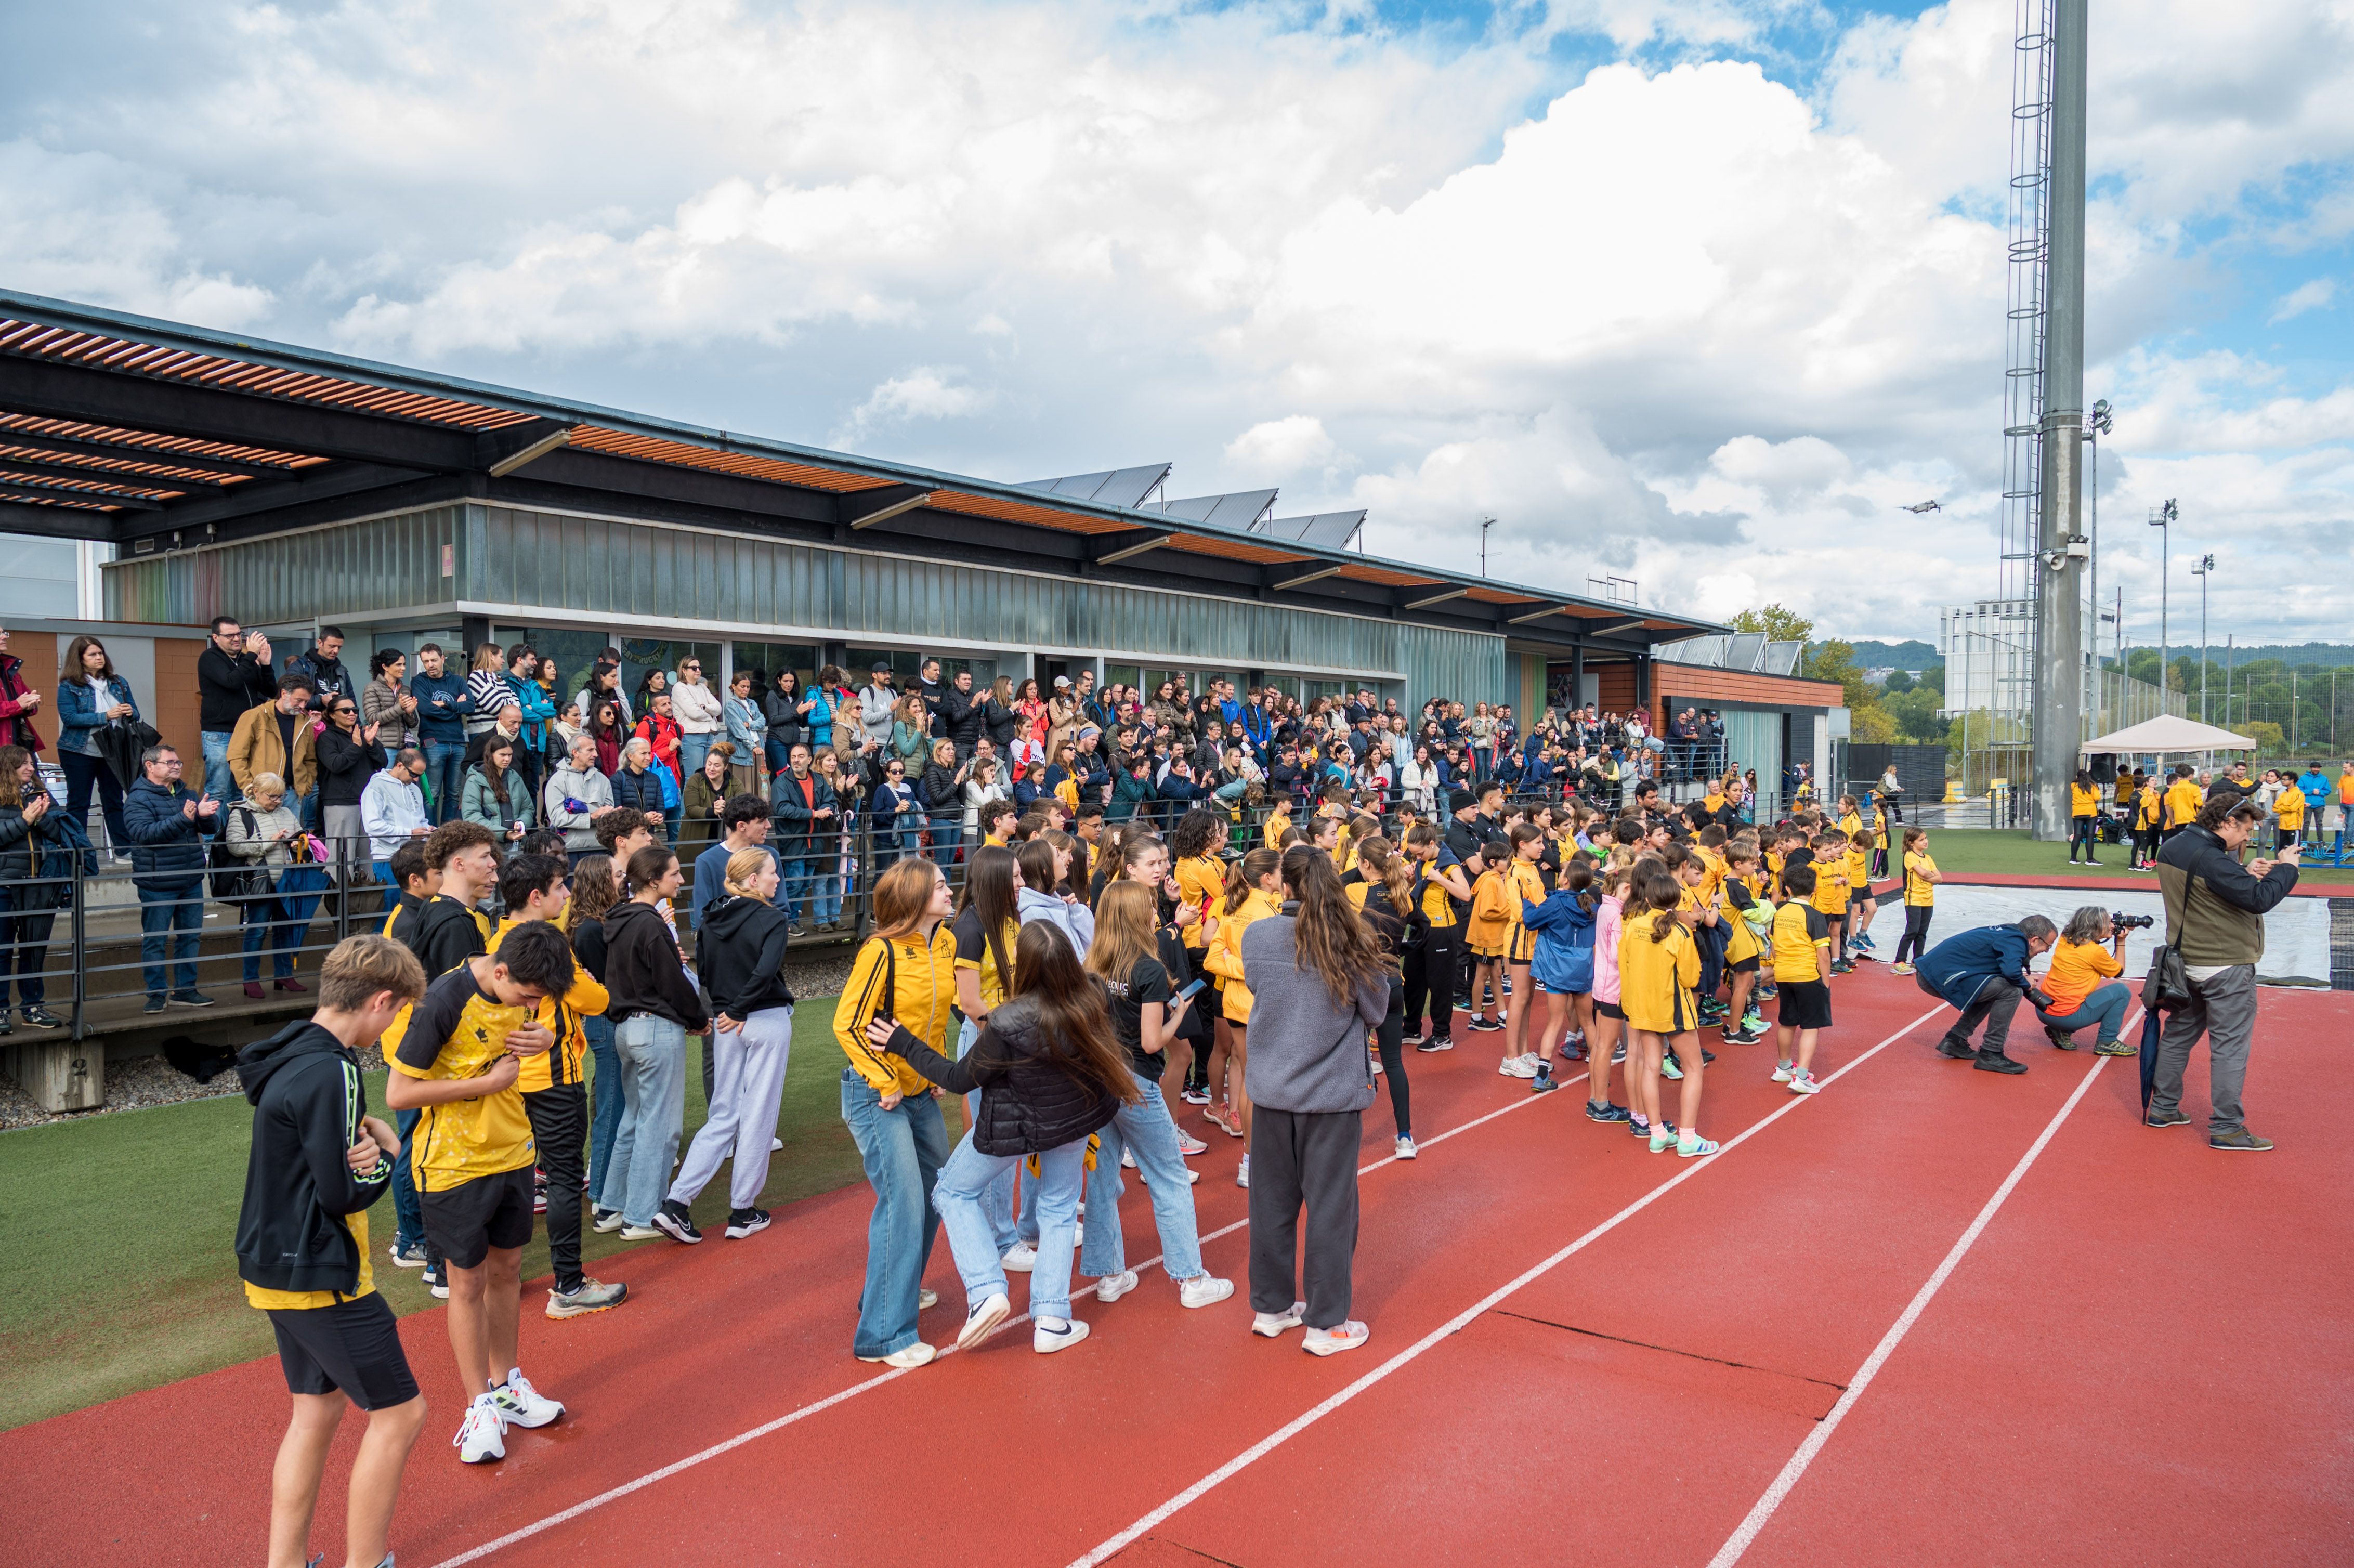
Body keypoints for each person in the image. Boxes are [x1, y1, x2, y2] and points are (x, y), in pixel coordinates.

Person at [233, 935, 429, 1568]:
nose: (395, 1023)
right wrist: (388, 1155)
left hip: (272, 1265)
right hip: (320, 1275)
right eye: (397, 1012)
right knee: (402, 1415)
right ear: (379, 1000)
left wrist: (363, 1139)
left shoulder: (290, 1047)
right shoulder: (337, 1069)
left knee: (315, 1415)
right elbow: (344, 1190)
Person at [878, 920, 1136, 1355]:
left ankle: (985, 1288)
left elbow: (960, 1078)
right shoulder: (1094, 996)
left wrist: (904, 1042)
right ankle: (1052, 1320)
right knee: (1057, 1211)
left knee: (952, 1191)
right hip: (1073, 1121)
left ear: (1027, 968)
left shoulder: (1006, 1022)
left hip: (1017, 1128)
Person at [381, 919, 576, 1464]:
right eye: (529, 997)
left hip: (513, 1152)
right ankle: (478, 1405)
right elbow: (399, 1093)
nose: (532, 1005)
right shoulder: (442, 1000)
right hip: (452, 1165)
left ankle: (508, 1384)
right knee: (465, 1283)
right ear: (501, 969)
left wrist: (548, 1036)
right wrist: (483, 1086)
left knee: (508, 1272)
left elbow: (526, 1033)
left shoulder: (522, 987)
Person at [1236, 845, 1388, 1355]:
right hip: (1329, 1096)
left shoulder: (1257, 934)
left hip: (1272, 1090)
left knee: (1271, 1202)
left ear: (1284, 883)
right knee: (1330, 1208)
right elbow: (1375, 1010)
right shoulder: (1351, 937)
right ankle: (1326, 1323)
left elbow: (1261, 986)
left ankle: (1271, 1307)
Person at [1075, 880, 1235, 1312]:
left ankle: (1109, 1274)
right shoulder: (1147, 969)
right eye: (1150, 906)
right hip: (1137, 1081)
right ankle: (1190, 1277)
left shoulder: (1094, 962)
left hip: (1101, 1077)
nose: (1156, 912)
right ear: (1136, 915)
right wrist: (1178, 1013)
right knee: (1169, 1178)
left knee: (1103, 1180)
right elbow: (1151, 1042)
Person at [832, 857, 959, 1368]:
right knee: (904, 1200)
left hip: (916, 1091)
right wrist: (885, 1080)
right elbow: (848, 1025)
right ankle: (883, 1335)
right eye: (941, 886)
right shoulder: (880, 950)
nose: (951, 891)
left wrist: (930, 1070)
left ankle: (888, 1293)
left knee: (936, 1194)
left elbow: (933, 1016)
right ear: (914, 896)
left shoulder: (946, 943)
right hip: (875, 1094)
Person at [655, 847, 797, 1245]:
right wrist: (737, 1007)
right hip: (761, 1019)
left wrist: (725, 1011)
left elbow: (706, 971)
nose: (777, 879)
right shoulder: (771, 917)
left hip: (725, 1023)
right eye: (772, 873)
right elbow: (765, 970)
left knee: (723, 1114)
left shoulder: (710, 917)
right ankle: (742, 1211)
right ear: (752, 879)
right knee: (758, 1115)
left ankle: (676, 1204)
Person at [2149, 790, 2299, 1149]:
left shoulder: (2173, 846)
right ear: (2229, 822)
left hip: (2185, 962)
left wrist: (2243, 873)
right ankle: (2227, 1127)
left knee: (2178, 1036)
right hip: (2225, 964)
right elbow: (2259, 899)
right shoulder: (2213, 860)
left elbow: (2204, 886)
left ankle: (2163, 1107)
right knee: (2230, 1047)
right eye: (2246, 830)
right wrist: (2289, 869)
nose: (2248, 838)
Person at [596, 845, 709, 1239]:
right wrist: (698, 1018)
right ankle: (641, 1215)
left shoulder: (622, 919)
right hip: (655, 1029)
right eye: (674, 874)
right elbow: (671, 982)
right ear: (652, 880)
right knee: (658, 1126)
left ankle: (611, 1207)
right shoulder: (649, 923)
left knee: (634, 1119)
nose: (680, 879)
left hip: (628, 1029)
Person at [1622, 859, 1715, 1156]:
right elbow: (1689, 978)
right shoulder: (1680, 933)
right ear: (1677, 900)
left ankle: (1657, 1132)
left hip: (1641, 1005)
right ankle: (1687, 1138)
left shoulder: (1634, 925)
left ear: (1647, 898)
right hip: (1673, 1007)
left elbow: (1624, 964)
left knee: (1650, 1066)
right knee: (1694, 1067)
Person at [1202, 846, 1282, 1186]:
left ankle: (1251, 1159)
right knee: (1264, 1084)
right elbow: (1274, 968)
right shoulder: (1268, 912)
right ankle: (1256, 1158)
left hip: (1237, 1005)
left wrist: (1239, 967)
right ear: (1268, 877)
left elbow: (1215, 959)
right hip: (1261, 1007)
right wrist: (1251, 969)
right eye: (1279, 871)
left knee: (1252, 1080)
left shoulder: (1233, 910)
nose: (1283, 876)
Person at [120, 743, 220, 1012]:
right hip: (158, 882)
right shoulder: (138, 798)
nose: (176, 766)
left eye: (178, 763)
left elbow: (204, 827)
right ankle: (155, 994)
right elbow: (145, 835)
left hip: (190, 879)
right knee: (156, 940)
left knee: (190, 937)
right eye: (170, 762)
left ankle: (185, 990)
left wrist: (208, 816)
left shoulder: (186, 792)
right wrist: (185, 818)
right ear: (150, 766)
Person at [1911, 913, 2060, 1075]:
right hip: (1938, 975)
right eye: (2048, 946)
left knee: (1997, 988)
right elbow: (2011, 973)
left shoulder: (2011, 932)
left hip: (1934, 971)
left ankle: (1955, 1040)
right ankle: (1992, 1053)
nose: (2046, 951)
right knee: (2011, 990)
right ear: (2035, 940)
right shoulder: (2016, 941)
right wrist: (2025, 983)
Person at [221, 772, 323, 1000]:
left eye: (281, 796)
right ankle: (251, 980)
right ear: (256, 792)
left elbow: (299, 834)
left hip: (287, 881)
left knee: (285, 931)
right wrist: (271, 843)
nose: (278, 801)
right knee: (256, 932)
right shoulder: (241, 814)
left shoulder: (286, 812)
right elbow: (236, 847)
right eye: (273, 797)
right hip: (261, 882)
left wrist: (300, 841)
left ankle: (284, 975)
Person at [0, 744, 69, 1033]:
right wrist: (24, 820)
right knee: (3, 951)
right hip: (5, 886)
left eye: (31, 763)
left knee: (34, 950)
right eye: (23, 764)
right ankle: (1, 1012)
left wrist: (42, 819)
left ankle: (33, 1007)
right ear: (8, 768)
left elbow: (62, 835)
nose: (30, 768)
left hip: (39, 884)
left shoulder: (40, 794)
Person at [57, 633, 142, 854]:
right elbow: (70, 718)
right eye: (92, 654)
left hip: (113, 750)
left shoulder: (118, 682)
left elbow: (136, 712)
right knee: (79, 802)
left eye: (100, 653)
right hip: (78, 751)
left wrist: (131, 712)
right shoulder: (68, 686)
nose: (99, 657)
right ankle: (79, 852)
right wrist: (104, 716)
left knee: (114, 800)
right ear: (80, 659)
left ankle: (124, 850)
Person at [2034, 905, 2136, 1057]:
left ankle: (2061, 1031)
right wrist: (2121, 941)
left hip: (2042, 1009)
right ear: (2095, 927)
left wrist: (2111, 932)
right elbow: (2119, 971)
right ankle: (2107, 1042)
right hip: (2065, 1017)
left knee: (2082, 993)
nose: (2112, 926)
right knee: (2121, 992)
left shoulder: (2065, 938)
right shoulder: (2095, 952)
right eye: (2108, 923)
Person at [1769, 863, 1834, 1094]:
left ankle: (1784, 1067)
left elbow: (1774, 945)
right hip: (1807, 975)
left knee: (1787, 1021)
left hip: (1784, 974)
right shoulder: (1814, 915)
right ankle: (1803, 1076)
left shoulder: (1780, 912)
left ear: (1787, 888)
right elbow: (1823, 955)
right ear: (1815, 889)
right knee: (1811, 1025)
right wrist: (1825, 984)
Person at [197, 618, 275, 804]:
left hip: (248, 732)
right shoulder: (209, 658)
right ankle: (215, 834)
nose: (236, 638)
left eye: (238, 634)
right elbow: (231, 682)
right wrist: (251, 656)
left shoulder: (245, 660)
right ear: (216, 637)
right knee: (220, 789)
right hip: (220, 733)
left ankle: (236, 832)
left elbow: (270, 691)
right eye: (229, 635)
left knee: (243, 789)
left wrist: (265, 665)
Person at [316, 692, 388, 873]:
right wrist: (356, 746)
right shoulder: (327, 737)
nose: (352, 714)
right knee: (341, 857)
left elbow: (382, 763)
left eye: (354, 710)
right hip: (340, 803)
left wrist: (370, 745)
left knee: (368, 858)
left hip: (366, 803)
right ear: (332, 715)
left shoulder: (363, 734)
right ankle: (339, 899)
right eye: (346, 710)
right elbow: (336, 764)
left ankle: (367, 900)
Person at [407, 642, 473, 823]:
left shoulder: (457, 681)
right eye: (426, 661)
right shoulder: (419, 681)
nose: (431, 665)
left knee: (453, 794)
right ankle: (430, 836)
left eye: (434, 660)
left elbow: (470, 706)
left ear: (443, 659)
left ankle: (447, 838)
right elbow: (426, 709)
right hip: (433, 742)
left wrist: (446, 704)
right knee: (432, 794)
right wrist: (456, 708)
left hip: (458, 743)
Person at [543, 733, 616, 863]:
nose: (596, 754)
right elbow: (558, 818)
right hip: (569, 850)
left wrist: (613, 814)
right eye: (590, 750)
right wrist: (591, 816)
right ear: (575, 753)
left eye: (595, 750)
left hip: (599, 848)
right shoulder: (557, 780)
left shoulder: (603, 780)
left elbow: (609, 816)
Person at [1889, 826, 1939, 975]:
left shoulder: (1928, 858)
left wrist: (1927, 875)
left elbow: (1939, 878)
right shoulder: (1910, 856)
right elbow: (1923, 873)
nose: (1925, 842)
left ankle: (1918, 960)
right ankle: (1899, 961)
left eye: (1926, 838)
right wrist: (1928, 875)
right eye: (1921, 840)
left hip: (1928, 899)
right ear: (1911, 843)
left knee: (1922, 932)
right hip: (1914, 898)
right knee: (1912, 930)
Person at [669, 655, 726, 777]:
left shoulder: (702, 687)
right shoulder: (679, 687)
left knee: (708, 777)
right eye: (694, 668)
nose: (698, 670)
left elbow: (718, 709)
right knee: (694, 778)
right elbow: (694, 713)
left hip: (709, 736)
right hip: (692, 736)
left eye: (700, 668)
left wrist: (705, 708)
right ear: (684, 670)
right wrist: (710, 716)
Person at [286, 627, 353, 714]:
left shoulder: (341, 670)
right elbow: (290, 696)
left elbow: (351, 701)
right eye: (332, 646)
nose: (336, 651)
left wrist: (357, 726)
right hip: (309, 723)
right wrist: (320, 700)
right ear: (320, 643)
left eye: (339, 647)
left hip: (337, 724)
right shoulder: (301, 666)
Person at [2067, 770, 2102, 865]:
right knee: (2090, 835)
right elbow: (2097, 797)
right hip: (2090, 812)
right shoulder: (2092, 785)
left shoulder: (2073, 785)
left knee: (2077, 835)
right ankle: (2090, 859)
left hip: (2077, 812)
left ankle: (2073, 858)